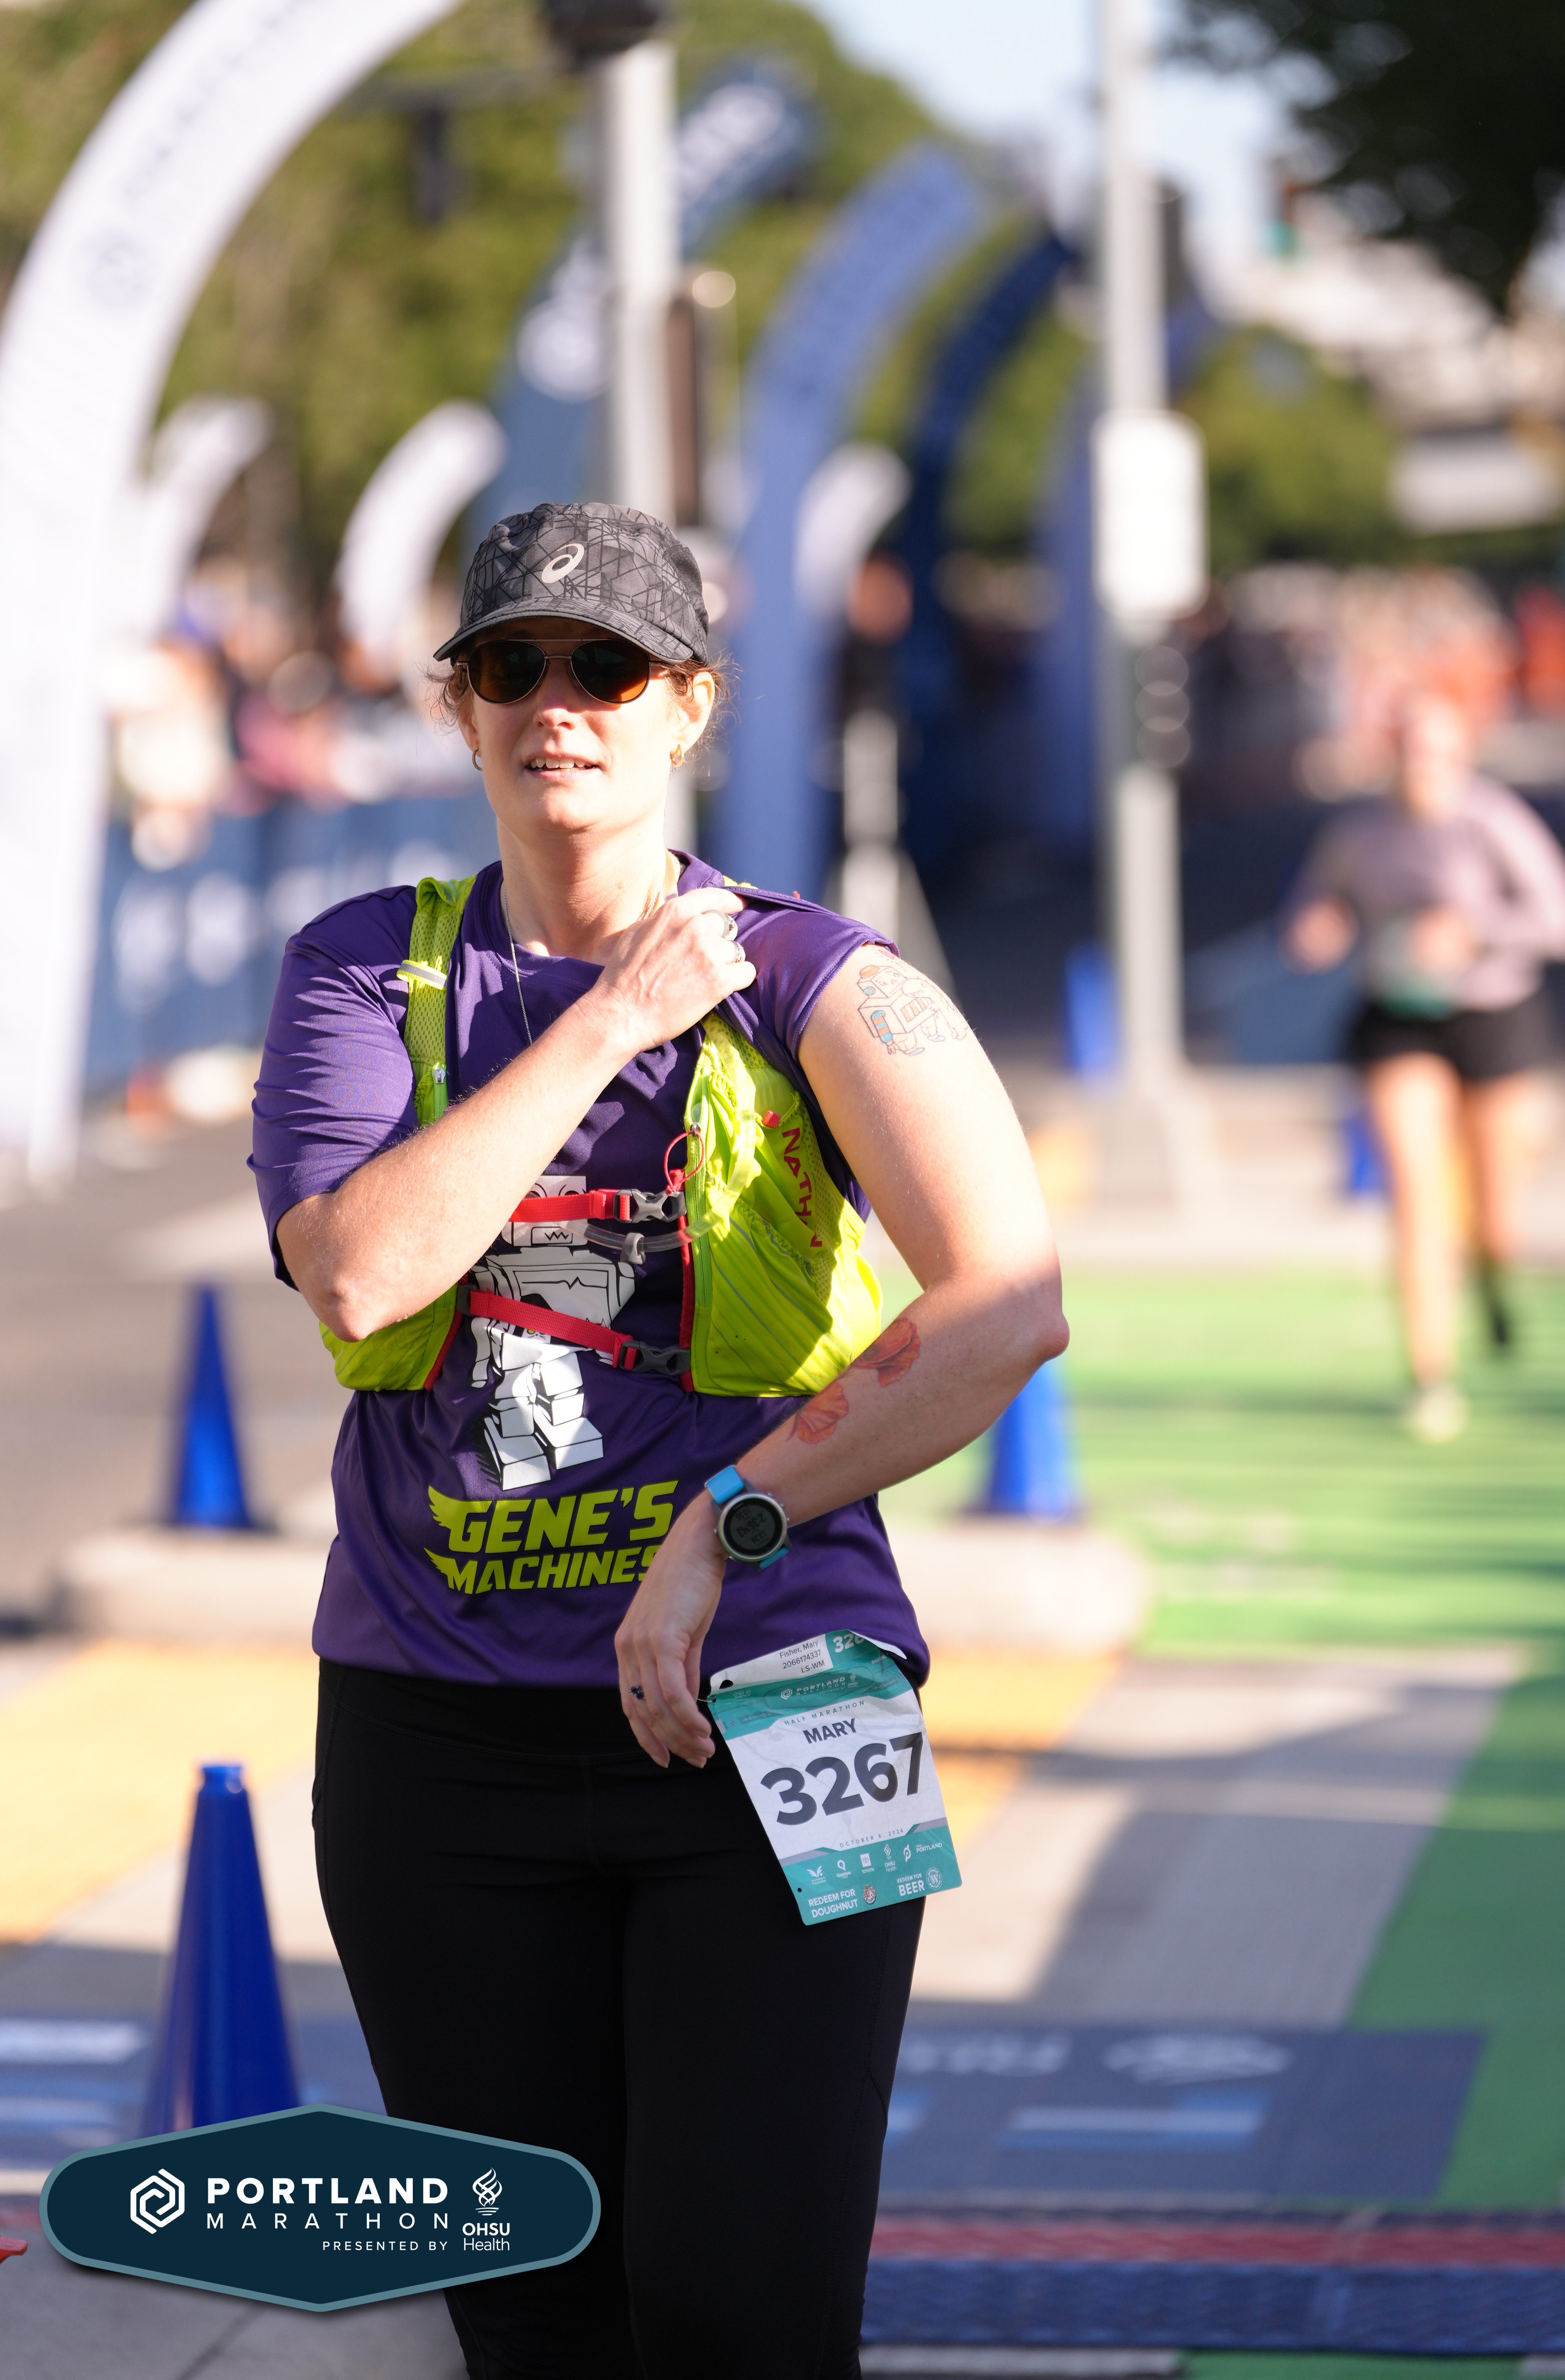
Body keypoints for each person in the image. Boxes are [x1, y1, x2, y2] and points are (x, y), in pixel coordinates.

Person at [250, 502, 1068, 2380]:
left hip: (800, 1698)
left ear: (688, 702)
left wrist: (733, 1519)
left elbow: (1008, 1305)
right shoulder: (366, 971)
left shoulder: (820, 977)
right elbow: (362, 1276)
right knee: (531, 2320)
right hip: (438, 1745)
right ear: (459, 706)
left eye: (608, 666)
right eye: (512, 665)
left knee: (746, 2314)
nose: (560, 703)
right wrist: (608, 1016)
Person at [1286, 688, 1565, 1440]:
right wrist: (1322, 925)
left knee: (1494, 1214)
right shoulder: (1359, 831)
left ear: (1462, 756)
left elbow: (1564, 922)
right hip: (1398, 1018)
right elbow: (1316, 904)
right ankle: (1429, 1373)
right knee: (1418, 1193)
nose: (1423, 766)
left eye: (1438, 752)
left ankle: (1494, 1273)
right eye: (1411, 751)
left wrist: (1472, 931)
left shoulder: (1493, 821)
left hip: (1492, 1016)